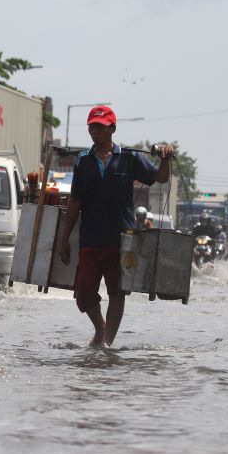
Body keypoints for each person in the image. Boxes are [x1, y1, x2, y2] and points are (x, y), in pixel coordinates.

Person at [58, 105, 174, 347]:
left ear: (112, 129)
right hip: (90, 239)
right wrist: (64, 238)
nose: (94, 131)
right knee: (83, 294)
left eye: (99, 127)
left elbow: (161, 177)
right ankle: (101, 329)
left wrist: (165, 158)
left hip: (123, 241)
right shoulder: (83, 161)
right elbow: (75, 201)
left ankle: (107, 346)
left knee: (117, 293)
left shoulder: (130, 158)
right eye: (91, 126)